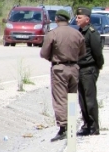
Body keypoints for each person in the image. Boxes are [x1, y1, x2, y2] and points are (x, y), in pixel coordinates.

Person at [39, 9, 85, 141]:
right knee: (71, 97)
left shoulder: (53, 34)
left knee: (60, 98)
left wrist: (54, 58)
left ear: (57, 19)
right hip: (74, 67)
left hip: (59, 68)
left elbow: (44, 53)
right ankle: (71, 122)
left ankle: (64, 127)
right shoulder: (77, 34)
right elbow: (82, 52)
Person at [75, 7, 104, 136]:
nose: (77, 19)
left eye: (79, 17)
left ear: (87, 19)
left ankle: (94, 127)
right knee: (82, 100)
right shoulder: (80, 31)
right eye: (76, 17)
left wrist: (98, 66)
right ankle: (86, 124)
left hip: (89, 69)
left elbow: (97, 52)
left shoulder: (92, 33)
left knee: (90, 100)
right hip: (80, 69)